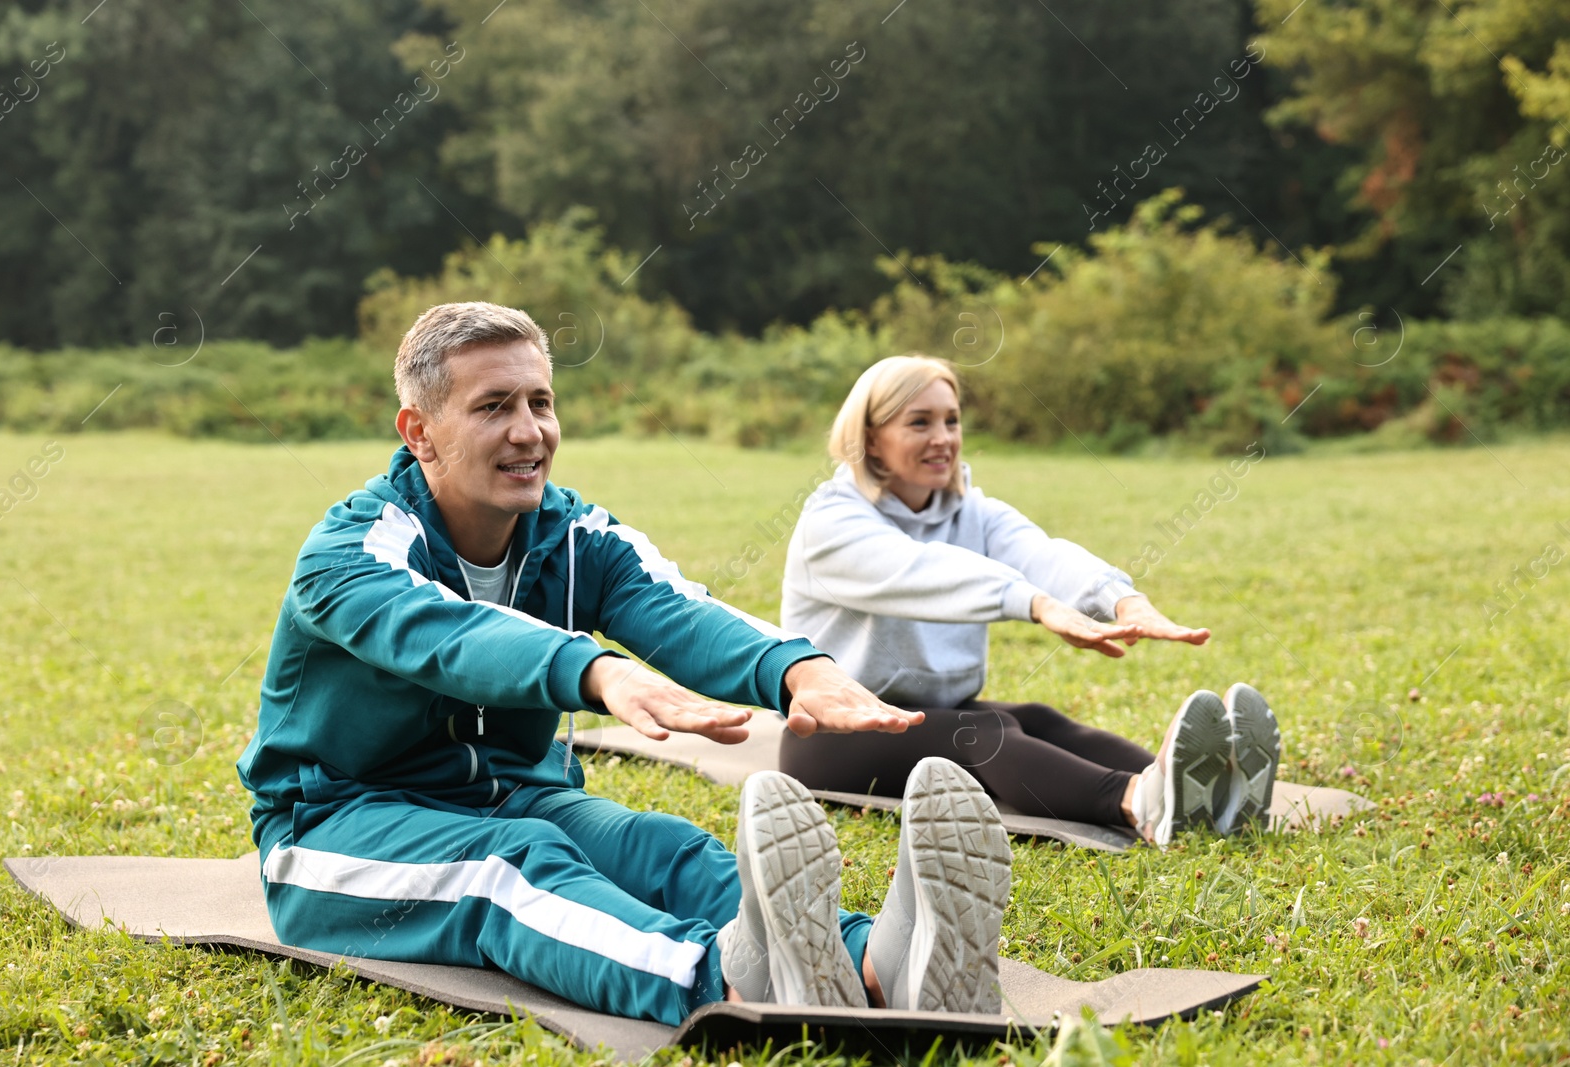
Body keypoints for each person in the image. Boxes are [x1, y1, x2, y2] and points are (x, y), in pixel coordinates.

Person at [235, 304, 1014, 1027]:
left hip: (516, 792)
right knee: (512, 867)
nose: (529, 430)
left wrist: (794, 668)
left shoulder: (572, 533)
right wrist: (600, 672)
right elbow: (451, 635)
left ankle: (875, 962)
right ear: (419, 431)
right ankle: (726, 981)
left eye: (540, 402)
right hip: (339, 823)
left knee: (667, 851)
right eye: (493, 406)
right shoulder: (351, 552)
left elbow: (675, 605)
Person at [778, 355, 1283, 846]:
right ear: (871, 438)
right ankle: (1139, 803)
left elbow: (1040, 553)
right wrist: (1034, 603)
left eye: (952, 421)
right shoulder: (832, 522)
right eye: (920, 422)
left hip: (931, 713)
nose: (943, 438)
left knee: (1039, 720)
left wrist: (1120, 599)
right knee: (984, 733)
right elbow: (919, 569)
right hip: (831, 735)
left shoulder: (969, 512)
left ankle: (1199, 791)